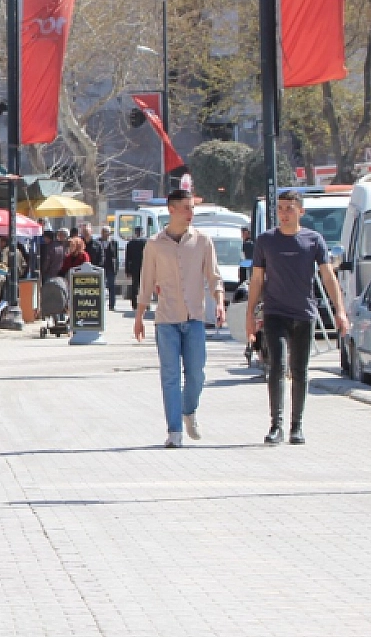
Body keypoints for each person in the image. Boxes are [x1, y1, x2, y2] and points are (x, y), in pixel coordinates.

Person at [246, 190, 349, 446]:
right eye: (280, 208)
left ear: (301, 211)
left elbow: (328, 276)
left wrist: (340, 311)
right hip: (275, 313)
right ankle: (276, 425)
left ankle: (297, 426)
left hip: (304, 313)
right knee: (276, 367)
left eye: (289, 208)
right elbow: (257, 279)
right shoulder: (266, 241)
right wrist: (250, 314)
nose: (284, 213)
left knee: (300, 371)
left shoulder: (313, 240)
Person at [133, 190, 224, 449]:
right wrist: (139, 316)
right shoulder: (154, 244)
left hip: (194, 318)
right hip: (166, 320)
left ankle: (189, 410)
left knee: (196, 374)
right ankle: (174, 431)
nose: (190, 213)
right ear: (171, 210)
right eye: (185, 207)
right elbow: (146, 282)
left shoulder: (203, 241)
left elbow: (214, 276)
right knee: (170, 376)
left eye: (192, 207)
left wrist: (219, 302)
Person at [124, 225, 148, 313]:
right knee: (145, 287)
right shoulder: (147, 242)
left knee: (135, 286)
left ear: (135, 233)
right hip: (145, 267)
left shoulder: (131, 243)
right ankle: (146, 304)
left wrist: (127, 270)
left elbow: (128, 258)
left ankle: (134, 304)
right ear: (142, 232)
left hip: (134, 267)